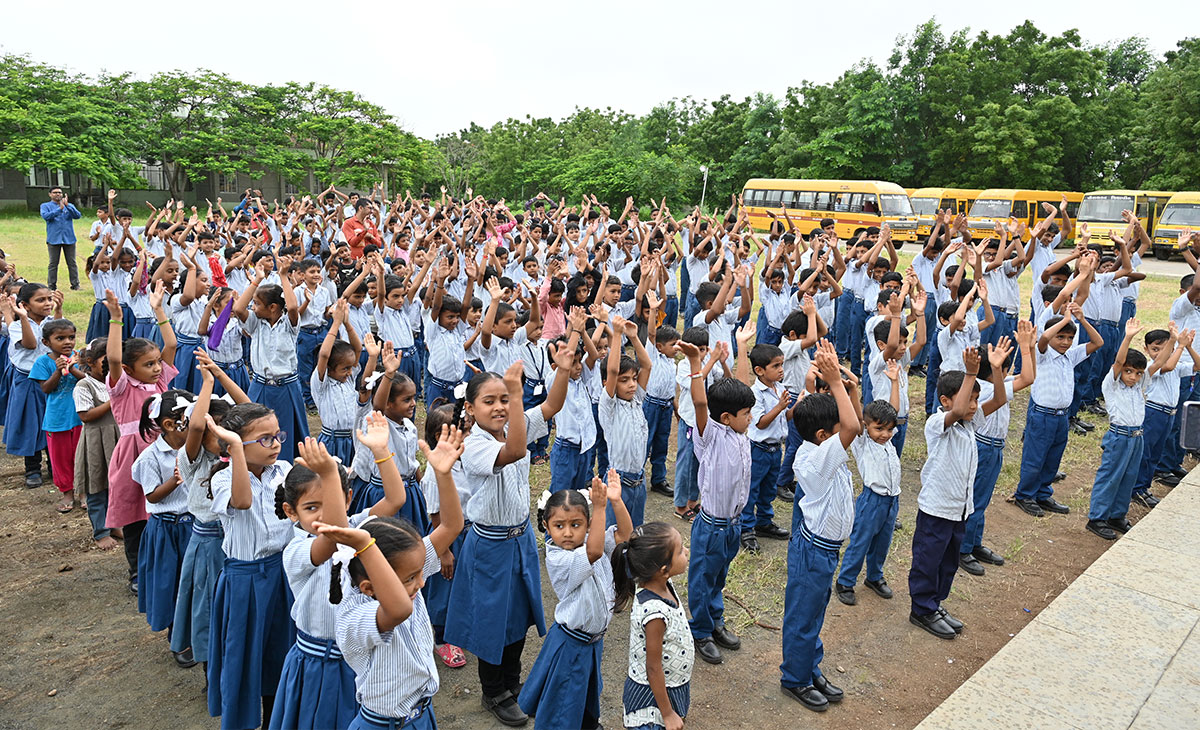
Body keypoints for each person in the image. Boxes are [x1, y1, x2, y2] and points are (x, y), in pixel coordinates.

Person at [444, 353, 571, 726]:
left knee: (518, 616)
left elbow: (552, 405)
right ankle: (493, 691)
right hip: (490, 544)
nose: (499, 407)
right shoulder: (476, 444)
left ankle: (513, 684)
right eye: (490, 401)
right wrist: (516, 395)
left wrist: (562, 367)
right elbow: (514, 450)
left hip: (520, 538)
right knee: (491, 620)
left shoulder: (517, 422)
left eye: (504, 399)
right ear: (470, 408)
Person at [269, 423, 406, 730]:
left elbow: (395, 500)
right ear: (291, 512)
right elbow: (332, 538)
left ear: (347, 498)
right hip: (319, 664)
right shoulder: (295, 550)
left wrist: (381, 451)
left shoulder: (356, 525)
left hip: (362, 660)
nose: (320, 515)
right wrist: (330, 475)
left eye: (328, 502)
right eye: (310, 507)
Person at [204, 403, 296, 729]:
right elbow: (242, 501)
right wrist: (236, 451)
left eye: (277, 436)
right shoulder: (221, 479)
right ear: (236, 446)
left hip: (283, 576)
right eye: (265, 439)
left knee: (279, 654)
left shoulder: (284, 471)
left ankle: (276, 719)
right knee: (243, 659)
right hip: (244, 581)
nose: (275, 444)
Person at [780, 340, 859, 713]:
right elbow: (853, 426)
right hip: (814, 550)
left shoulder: (823, 445)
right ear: (826, 436)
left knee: (815, 610)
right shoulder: (814, 459)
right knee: (803, 613)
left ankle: (810, 666)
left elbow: (850, 423)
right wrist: (837, 383)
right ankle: (795, 677)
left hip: (825, 549)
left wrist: (847, 386)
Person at [518, 474, 633, 729]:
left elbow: (625, 535)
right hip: (571, 645)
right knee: (562, 708)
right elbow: (593, 552)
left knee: (585, 695)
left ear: (589, 525)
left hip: (592, 643)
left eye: (576, 524)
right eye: (559, 526)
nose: (568, 533)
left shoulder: (593, 541)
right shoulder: (559, 558)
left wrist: (615, 501)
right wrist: (600, 507)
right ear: (546, 527)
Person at [909, 349, 1006, 641]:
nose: (974, 405)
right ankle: (921, 609)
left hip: (960, 509)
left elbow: (1000, 400)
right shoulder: (937, 424)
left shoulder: (970, 424)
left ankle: (935, 604)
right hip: (937, 509)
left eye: (977, 399)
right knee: (928, 561)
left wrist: (997, 370)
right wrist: (971, 374)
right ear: (945, 401)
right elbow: (958, 410)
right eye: (970, 399)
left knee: (948, 562)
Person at [679, 321, 755, 666]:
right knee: (702, 578)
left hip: (733, 525)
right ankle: (701, 630)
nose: (751, 418)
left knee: (719, 576)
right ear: (726, 417)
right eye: (746, 414)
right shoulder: (711, 434)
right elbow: (699, 403)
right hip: (710, 526)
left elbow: (740, 386)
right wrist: (697, 366)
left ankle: (716, 619)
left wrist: (740, 347)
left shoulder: (740, 434)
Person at [103, 284, 178, 595]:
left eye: (157, 362)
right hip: (133, 455)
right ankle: (136, 572)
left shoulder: (159, 381)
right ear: (130, 369)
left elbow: (171, 343)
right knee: (135, 517)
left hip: (164, 452)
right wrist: (116, 319)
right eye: (148, 364)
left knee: (163, 512)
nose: (157, 367)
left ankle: (163, 565)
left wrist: (159, 309)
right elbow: (113, 358)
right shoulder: (122, 387)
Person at [959, 327, 1036, 576]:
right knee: (976, 499)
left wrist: (1030, 347)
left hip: (994, 447)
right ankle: (963, 549)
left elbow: (1028, 377)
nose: (1008, 372)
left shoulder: (995, 382)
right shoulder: (987, 388)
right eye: (1005, 368)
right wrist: (1025, 347)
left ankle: (974, 543)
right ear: (994, 370)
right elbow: (1026, 379)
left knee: (983, 498)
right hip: (983, 446)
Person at [1013, 305, 1103, 517]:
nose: (1065, 342)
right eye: (1060, 336)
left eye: (1070, 337)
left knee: (1053, 458)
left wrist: (1082, 319)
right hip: (1042, 415)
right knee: (1035, 458)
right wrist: (1064, 319)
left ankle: (1043, 493)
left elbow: (1098, 342)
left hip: (1061, 417)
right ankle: (1024, 495)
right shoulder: (1042, 353)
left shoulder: (1070, 356)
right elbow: (1044, 339)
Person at [130, 389, 195, 645]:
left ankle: (193, 631)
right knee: (170, 583)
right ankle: (177, 637)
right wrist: (175, 481)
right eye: (191, 420)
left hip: (193, 527)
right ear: (169, 424)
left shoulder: (195, 448)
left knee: (191, 582)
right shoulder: (151, 457)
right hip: (166, 530)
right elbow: (152, 496)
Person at [613, 522, 693, 730]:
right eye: (680, 550)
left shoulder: (664, 584)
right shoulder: (654, 612)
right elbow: (653, 666)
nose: (686, 551)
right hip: (651, 702)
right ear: (663, 570)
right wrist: (667, 713)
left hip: (670, 687)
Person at [834, 363, 902, 607]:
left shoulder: (888, 442)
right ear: (867, 426)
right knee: (861, 541)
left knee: (883, 542)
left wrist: (895, 381)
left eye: (889, 429)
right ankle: (845, 581)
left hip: (892, 500)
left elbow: (894, 410)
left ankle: (874, 576)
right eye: (879, 428)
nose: (884, 434)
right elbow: (855, 416)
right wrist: (853, 391)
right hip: (871, 500)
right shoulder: (863, 441)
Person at [230, 256, 309, 462]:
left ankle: (284, 473)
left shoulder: (289, 324)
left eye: (257, 304)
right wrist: (257, 280)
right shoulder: (256, 324)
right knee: (253, 432)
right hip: (260, 386)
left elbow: (291, 307)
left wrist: (283, 275)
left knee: (285, 435)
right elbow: (239, 309)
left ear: (273, 307)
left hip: (286, 388)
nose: (253, 307)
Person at [1085, 319, 1149, 539]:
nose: (1133, 376)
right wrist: (1128, 336)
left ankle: (1117, 515)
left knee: (1129, 477)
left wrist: (1177, 344)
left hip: (1136, 438)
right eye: (1129, 371)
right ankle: (1097, 518)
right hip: (1119, 437)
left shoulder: (1139, 385)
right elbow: (1120, 360)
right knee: (1111, 476)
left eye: (1138, 373)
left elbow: (1156, 366)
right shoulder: (1111, 385)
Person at [5, 283, 62, 487]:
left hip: (53, 379)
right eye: (40, 300)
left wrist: (59, 311)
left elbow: (61, 338)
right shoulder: (16, 325)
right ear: (25, 305)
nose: (47, 303)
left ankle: (53, 465)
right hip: (28, 381)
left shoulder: (50, 321)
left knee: (53, 422)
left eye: (49, 298)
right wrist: (21, 317)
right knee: (31, 425)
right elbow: (30, 344)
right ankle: (32, 468)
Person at [598, 315, 652, 526]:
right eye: (624, 380)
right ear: (608, 383)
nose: (631, 385)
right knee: (614, 535)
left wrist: (634, 337)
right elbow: (612, 370)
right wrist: (617, 334)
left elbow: (646, 366)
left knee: (635, 533)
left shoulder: (636, 399)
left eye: (633, 379)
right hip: (617, 483)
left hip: (638, 482)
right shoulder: (609, 405)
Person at [29, 318, 84, 514]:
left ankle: (84, 492)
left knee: (82, 455)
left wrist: (73, 368)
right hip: (57, 419)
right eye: (60, 338)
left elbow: (90, 382)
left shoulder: (80, 357)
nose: (67, 342)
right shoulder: (43, 362)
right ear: (46, 343)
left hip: (81, 416)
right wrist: (59, 372)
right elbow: (45, 388)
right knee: (60, 459)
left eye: (71, 337)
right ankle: (67, 493)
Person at [740, 343, 791, 554]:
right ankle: (746, 528)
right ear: (759, 370)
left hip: (774, 449)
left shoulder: (778, 388)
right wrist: (780, 406)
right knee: (751, 488)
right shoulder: (756, 393)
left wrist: (794, 407)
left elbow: (784, 417)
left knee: (769, 488)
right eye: (776, 366)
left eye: (782, 364)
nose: (781, 369)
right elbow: (760, 423)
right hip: (758, 449)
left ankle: (764, 522)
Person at [72, 338, 120, 549]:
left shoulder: (116, 380)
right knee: (97, 487)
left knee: (116, 486)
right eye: (106, 359)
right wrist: (113, 401)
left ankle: (115, 524)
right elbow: (86, 415)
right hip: (96, 442)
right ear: (90, 362)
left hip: (117, 439)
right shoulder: (84, 385)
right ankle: (100, 531)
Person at [40, 186, 82, 290]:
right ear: (50, 194)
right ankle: (51, 286)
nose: (58, 194)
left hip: (69, 238)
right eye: (55, 193)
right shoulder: (45, 206)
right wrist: (60, 209)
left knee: (72, 263)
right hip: (54, 239)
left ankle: (75, 285)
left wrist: (68, 206)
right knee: (53, 264)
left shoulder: (69, 205)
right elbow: (46, 216)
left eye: (60, 192)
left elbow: (77, 216)